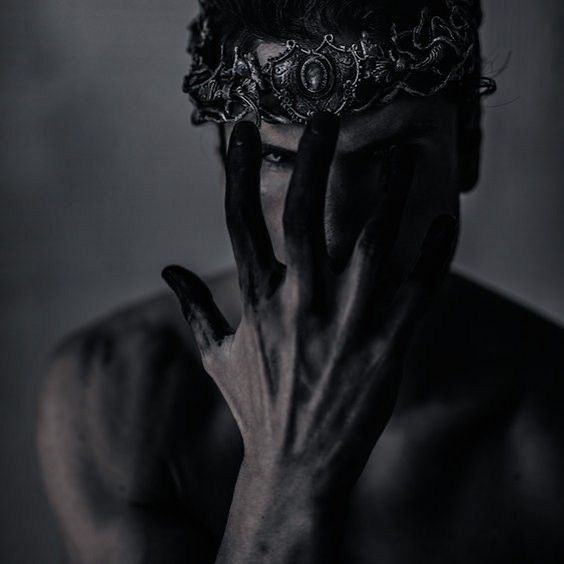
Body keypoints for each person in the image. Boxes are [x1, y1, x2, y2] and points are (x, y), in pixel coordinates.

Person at [38, 0, 564, 562]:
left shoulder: (548, 421)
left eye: (391, 157)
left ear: (468, 147)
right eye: (278, 158)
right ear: (226, 157)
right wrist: (284, 474)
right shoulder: (120, 400)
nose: (332, 235)